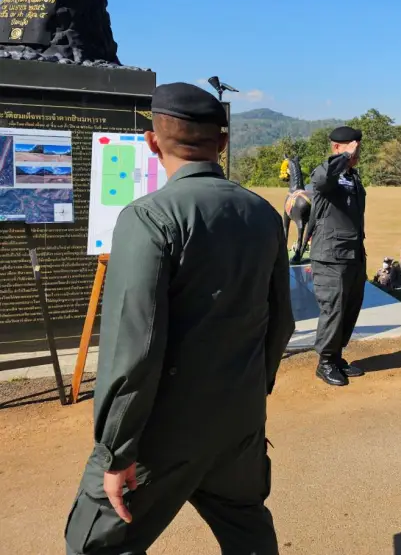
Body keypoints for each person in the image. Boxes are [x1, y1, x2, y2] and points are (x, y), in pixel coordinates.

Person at [63, 82, 294, 555]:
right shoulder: (263, 214)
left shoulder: (149, 217)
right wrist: (250, 400)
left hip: (162, 430)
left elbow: (134, 347)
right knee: (246, 528)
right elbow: (281, 322)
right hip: (239, 420)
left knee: (94, 544)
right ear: (222, 143)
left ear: (152, 142)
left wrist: (115, 449)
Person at [308, 126, 367, 387]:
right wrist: (343, 158)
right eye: (352, 149)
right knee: (334, 308)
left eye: (358, 149)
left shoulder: (353, 177)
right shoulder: (325, 173)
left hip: (353, 253)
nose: (356, 153)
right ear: (336, 147)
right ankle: (325, 363)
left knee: (350, 307)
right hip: (331, 256)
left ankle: (336, 356)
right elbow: (321, 180)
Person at [280, 154, 304, 241]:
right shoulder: (298, 166)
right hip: (302, 188)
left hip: (293, 191)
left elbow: (284, 177)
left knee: (285, 223)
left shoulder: (288, 164)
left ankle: (284, 242)